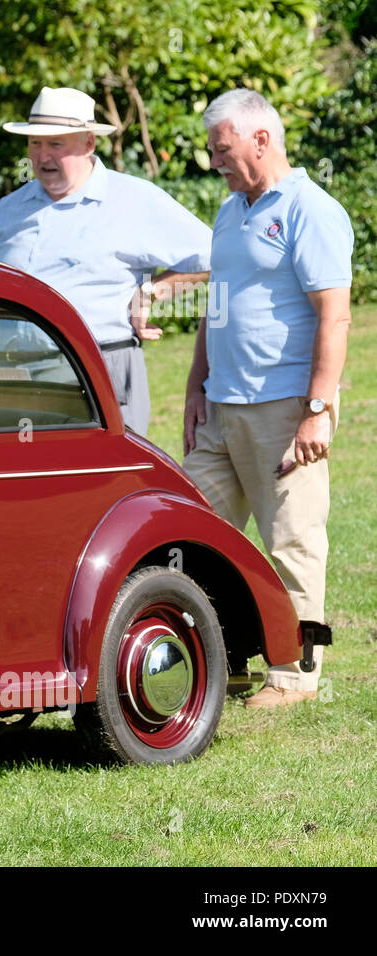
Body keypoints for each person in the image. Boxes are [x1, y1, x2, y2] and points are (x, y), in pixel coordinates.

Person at [182, 88, 353, 708]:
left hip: (285, 410)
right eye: (211, 151)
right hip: (221, 409)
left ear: (261, 139)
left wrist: (316, 412)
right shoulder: (230, 211)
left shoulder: (312, 209)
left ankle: (295, 675)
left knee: (292, 541)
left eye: (222, 150)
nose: (215, 163)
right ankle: (218, 661)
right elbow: (215, 305)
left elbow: (334, 316)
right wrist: (196, 388)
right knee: (189, 532)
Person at [0, 87, 212, 436]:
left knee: (101, 487)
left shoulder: (133, 200)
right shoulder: (8, 211)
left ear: (89, 143)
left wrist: (153, 291)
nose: (42, 156)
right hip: (7, 381)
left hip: (94, 371)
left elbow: (216, 255)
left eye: (55, 144)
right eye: (34, 144)